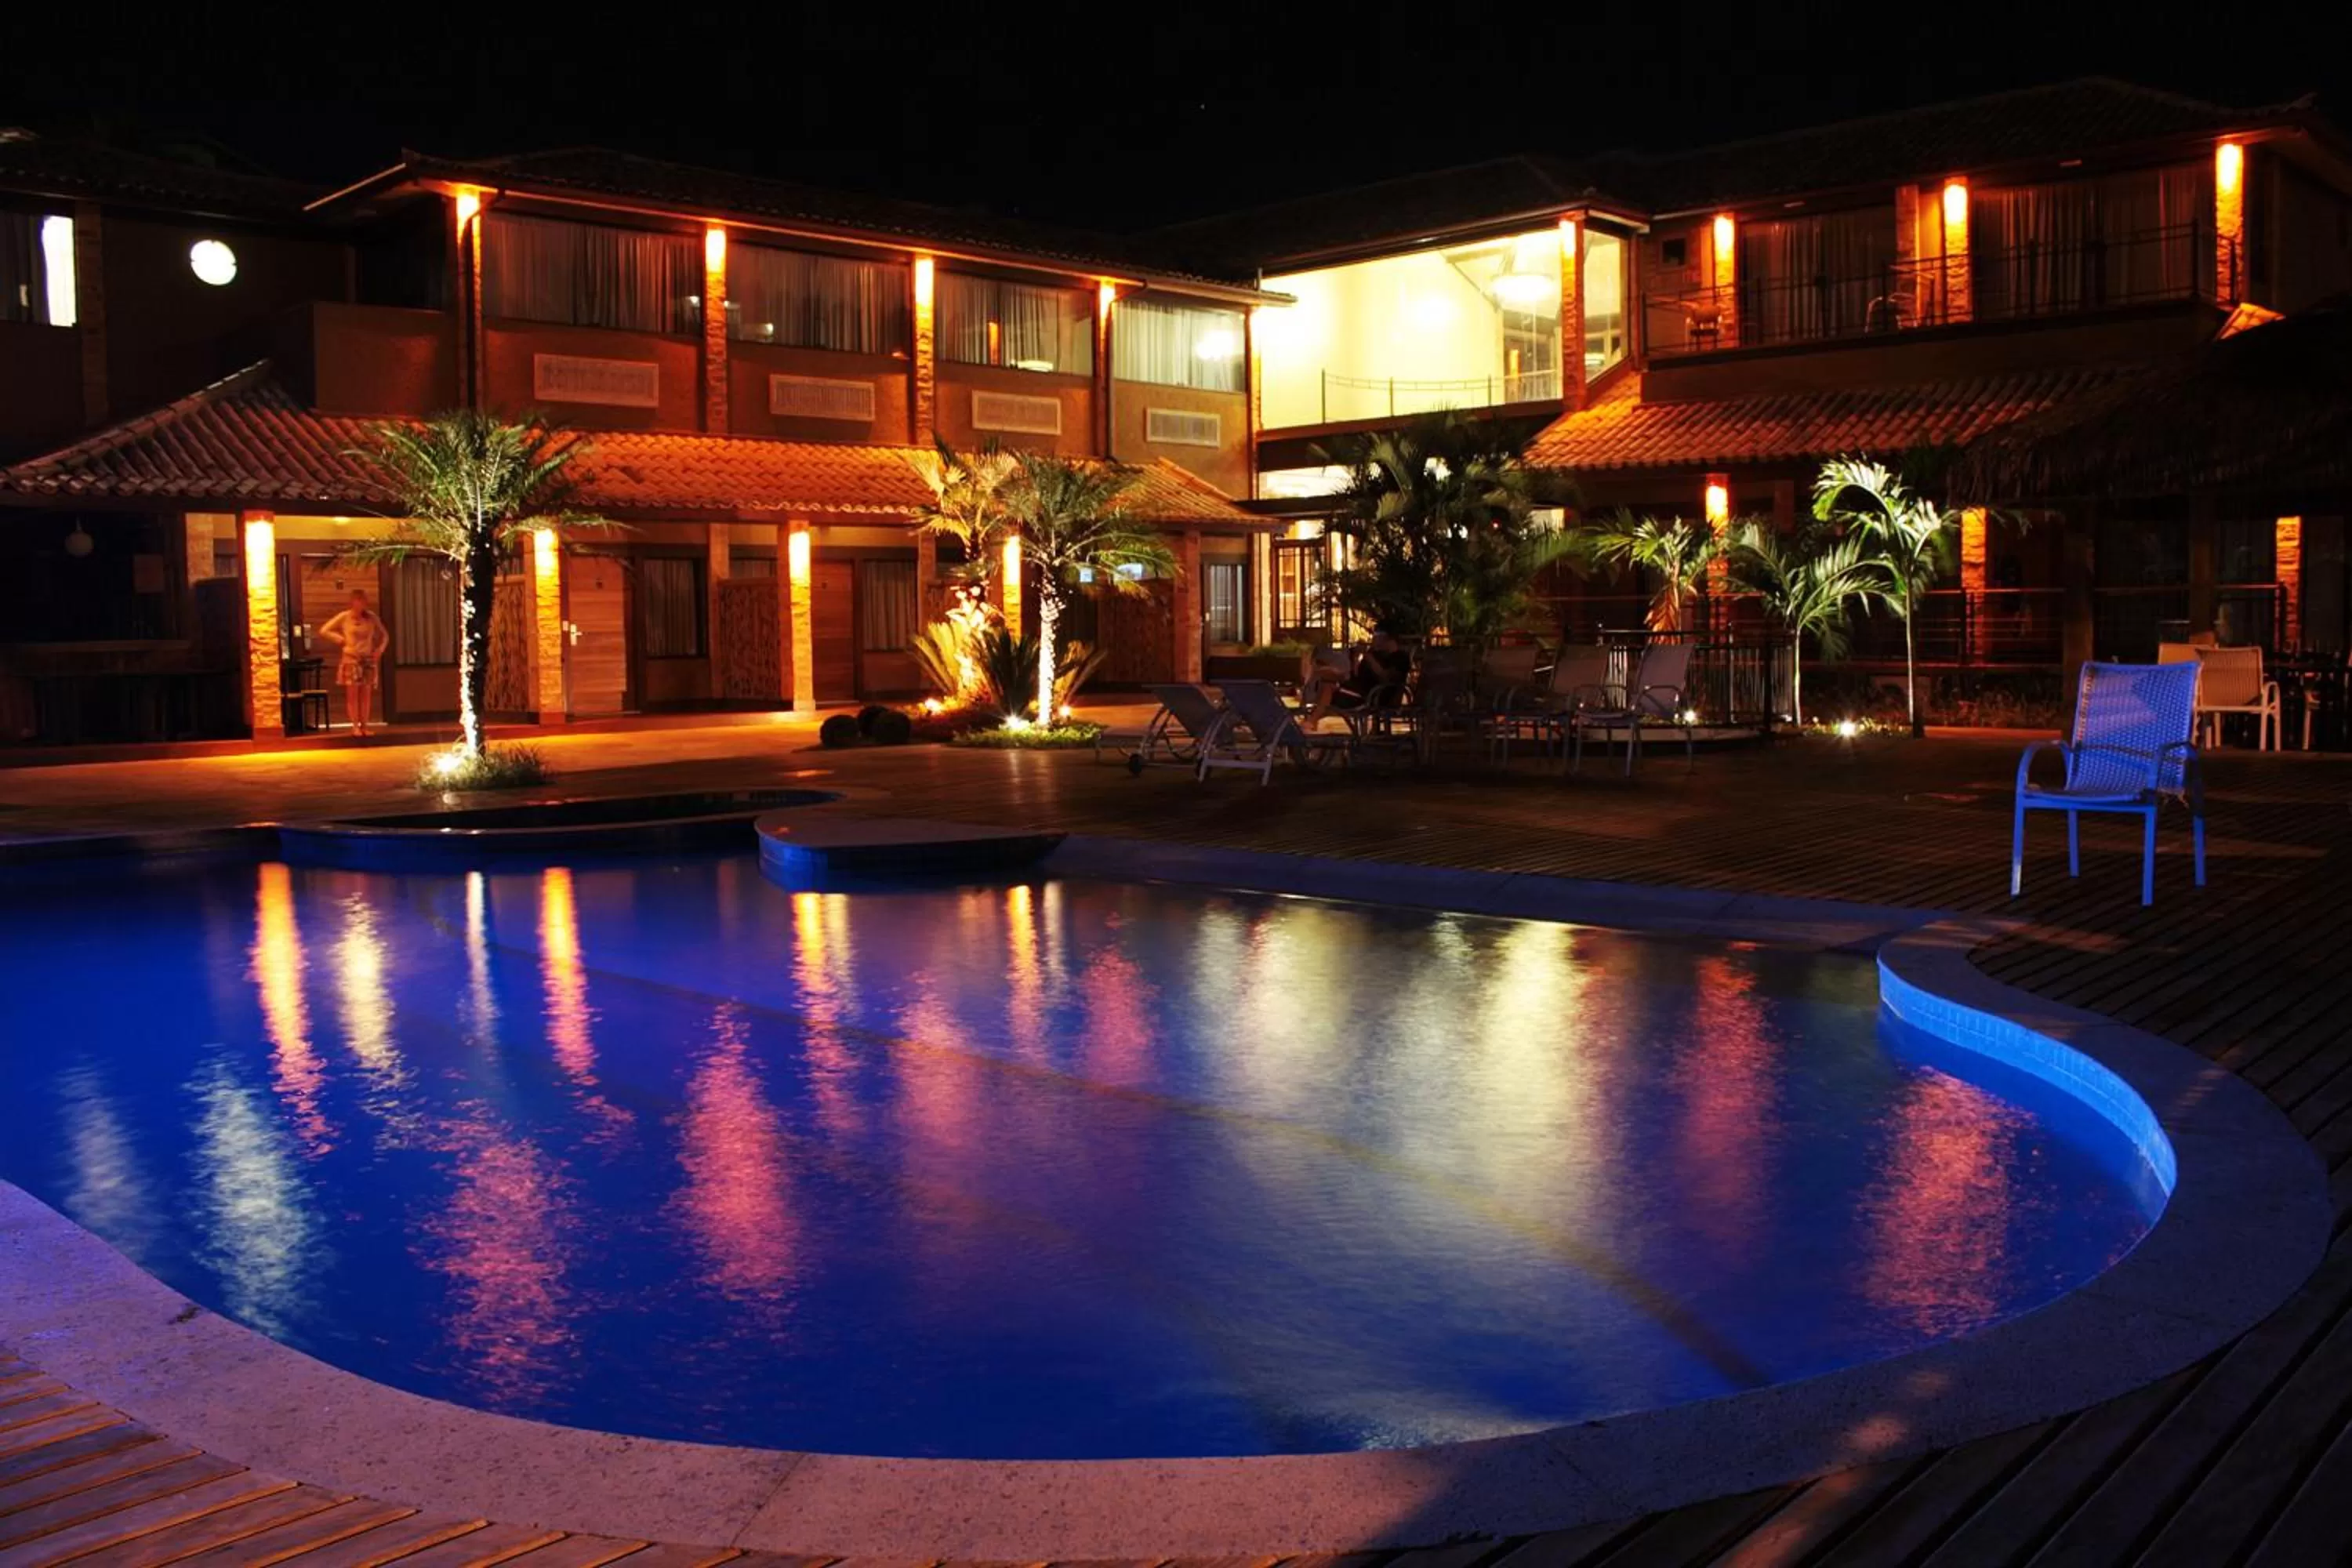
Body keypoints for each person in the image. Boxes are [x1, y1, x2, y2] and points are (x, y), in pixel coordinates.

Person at [1303, 628, 1412, 731]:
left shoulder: (1400, 657)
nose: (1373, 641)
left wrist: (1368, 657)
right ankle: (1313, 717)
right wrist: (1356, 657)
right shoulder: (1376, 654)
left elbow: (1386, 677)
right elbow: (1356, 675)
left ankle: (1312, 720)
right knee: (1325, 675)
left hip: (1372, 696)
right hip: (1360, 691)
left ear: (1388, 640)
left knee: (1328, 686)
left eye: (1377, 637)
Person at [317, 589, 390, 738]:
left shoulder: (371, 617)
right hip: (351, 658)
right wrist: (341, 641)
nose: (360, 605)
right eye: (357, 601)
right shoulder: (345, 616)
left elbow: (385, 635)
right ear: (352, 602)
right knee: (353, 694)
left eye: (362, 601)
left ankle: (365, 725)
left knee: (366, 694)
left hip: (368, 658)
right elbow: (324, 630)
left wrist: (379, 650)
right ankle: (355, 726)